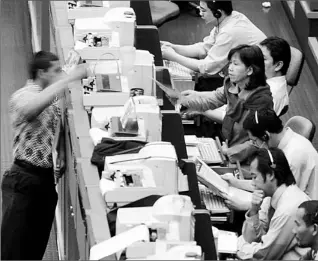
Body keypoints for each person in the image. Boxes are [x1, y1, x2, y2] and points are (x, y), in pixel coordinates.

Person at [1, 51, 88, 260]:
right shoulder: (23, 95)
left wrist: (63, 152)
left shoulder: (51, 97)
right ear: (42, 73)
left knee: (32, 253)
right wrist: (69, 78)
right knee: (13, 252)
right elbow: (31, 109)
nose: (60, 75)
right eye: (56, 71)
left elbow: (56, 122)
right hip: (23, 181)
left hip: (44, 185)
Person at [180, 44, 273, 162]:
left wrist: (229, 152)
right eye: (230, 63)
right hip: (225, 143)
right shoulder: (234, 84)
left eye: (236, 64)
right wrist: (190, 98)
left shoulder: (262, 101)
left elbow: (257, 141)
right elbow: (216, 96)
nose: (230, 68)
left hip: (245, 161)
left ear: (249, 70)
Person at [222, 108, 318, 205]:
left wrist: (245, 205)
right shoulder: (285, 142)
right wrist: (235, 182)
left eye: (254, 141)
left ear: (265, 136)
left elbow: (283, 200)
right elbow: (265, 184)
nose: (255, 145)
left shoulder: (292, 157)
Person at [237, 148, 310, 260]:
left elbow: (265, 256)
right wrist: (254, 211)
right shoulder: (271, 197)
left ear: (270, 175)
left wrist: (239, 246)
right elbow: (252, 238)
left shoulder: (288, 209)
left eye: (254, 177)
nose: (252, 183)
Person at [161, 1, 266, 76]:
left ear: (218, 12)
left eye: (203, 10)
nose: (200, 14)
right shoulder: (228, 18)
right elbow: (203, 49)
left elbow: (206, 67)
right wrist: (173, 47)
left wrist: (173, 57)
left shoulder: (230, 31)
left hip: (257, 77)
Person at [201, 36, 291, 123]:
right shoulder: (259, 79)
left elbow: (237, 122)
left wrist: (201, 110)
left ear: (278, 65)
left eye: (262, 59)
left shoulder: (271, 94)